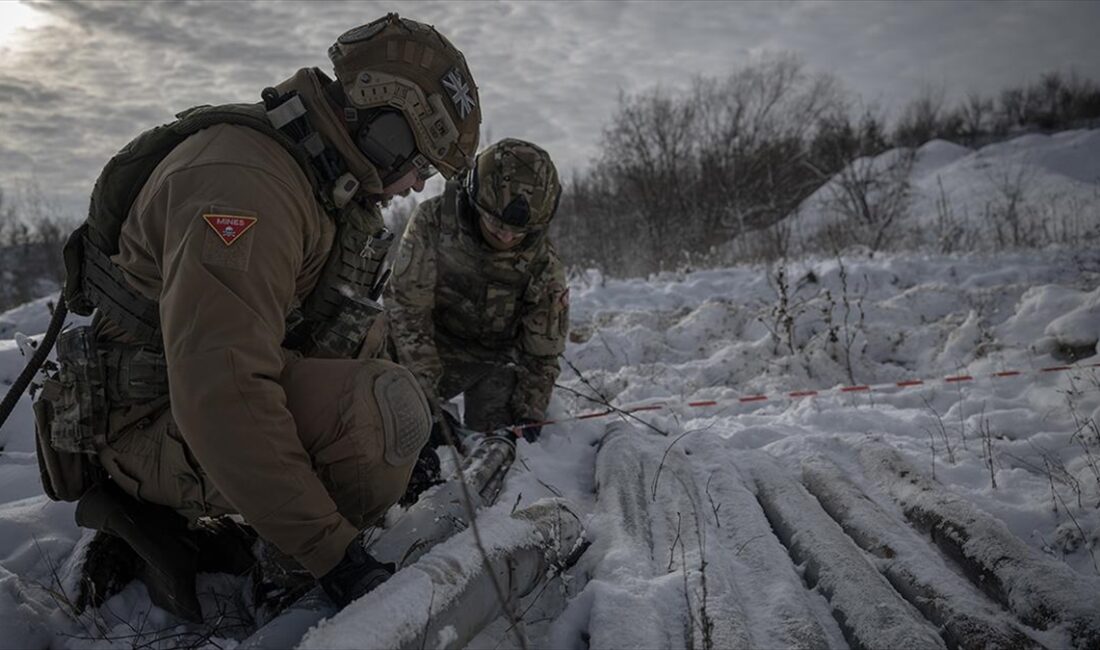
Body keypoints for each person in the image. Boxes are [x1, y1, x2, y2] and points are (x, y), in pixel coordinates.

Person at [32, 13, 481, 620]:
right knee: (381, 416)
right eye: (420, 166)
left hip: (186, 402)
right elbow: (223, 390)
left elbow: (342, 329)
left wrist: (424, 429)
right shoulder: (247, 187)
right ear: (387, 131)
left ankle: (265, 517)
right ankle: (269, 568)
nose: (413, 186)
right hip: (145, 423)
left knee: (397, 402)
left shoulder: (316, 180)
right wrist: (335, 555)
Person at [388, 138, 569, 449]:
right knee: (392, 410)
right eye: (496, 225)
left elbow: (542, 354)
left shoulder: (544, 265)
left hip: (493, 361)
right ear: (475, 201)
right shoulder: (433, 222)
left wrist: (530, 411)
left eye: (517, 232)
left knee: (497, 442)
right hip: (426, 346)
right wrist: (426, 401)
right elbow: (406, 311)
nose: (507, 236)